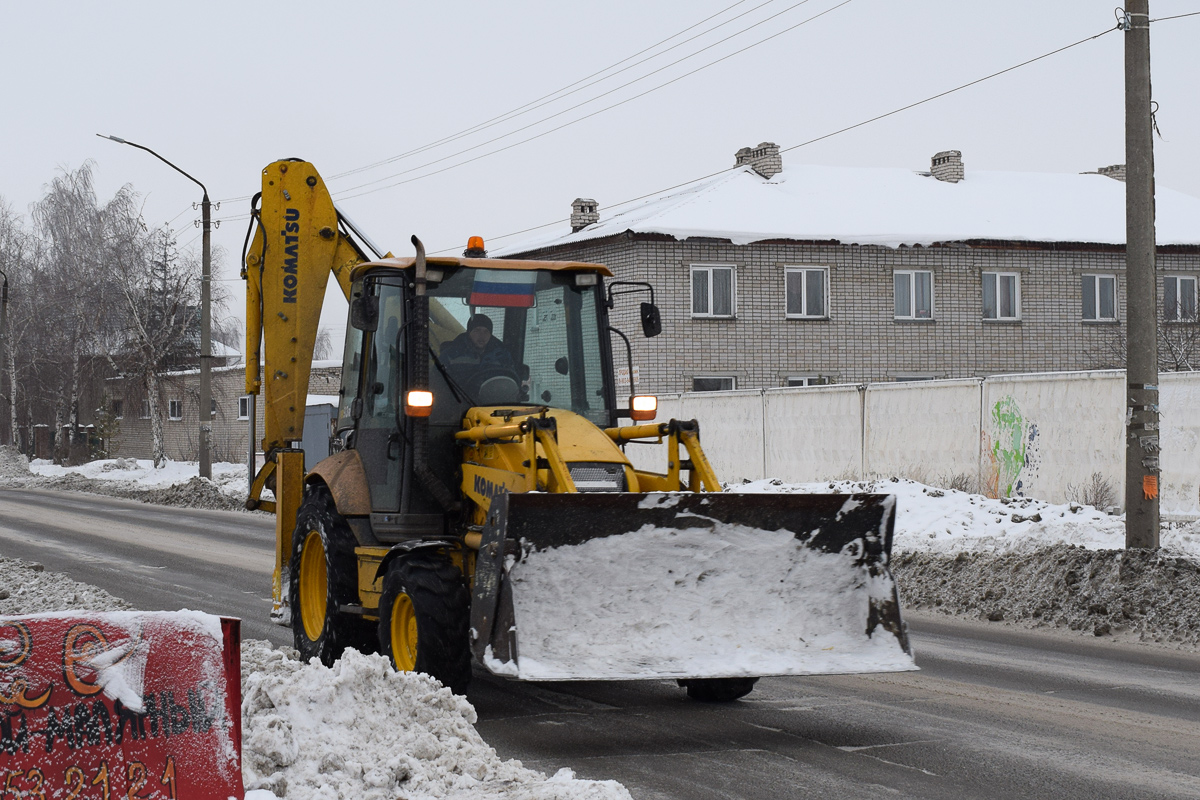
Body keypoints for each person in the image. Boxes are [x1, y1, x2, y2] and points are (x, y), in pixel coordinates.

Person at [440, 313, 514, 370]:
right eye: (477, 330)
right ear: (469, 333)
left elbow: (510, 381)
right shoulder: (451, 354)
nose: (482, 335)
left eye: (486, 332)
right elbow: (437, 381)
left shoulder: (502, 356)